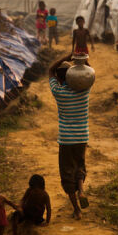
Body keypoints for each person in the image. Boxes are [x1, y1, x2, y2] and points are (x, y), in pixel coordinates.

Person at [49, 55, 90, 219]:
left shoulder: (58, 91)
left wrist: (67, 56)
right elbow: (89, 73)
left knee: (67, 173)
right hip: (82, 137)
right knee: (80, 165)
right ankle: (81, 190)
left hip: (66, 139)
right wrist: (81, 60)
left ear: (60, 78)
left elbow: (50, 70)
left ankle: (77, 210)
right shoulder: (84, 90)